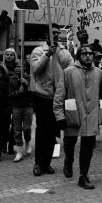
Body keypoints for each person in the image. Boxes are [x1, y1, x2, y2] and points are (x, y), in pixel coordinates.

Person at [54, 45, 102, 189]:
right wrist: (59, 116)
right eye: (84, 54)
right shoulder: (68, 72)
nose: (88, 56)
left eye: (90, 54)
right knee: (70, 143)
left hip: (92, 115)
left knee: (88, 147)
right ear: (78, 56)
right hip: (73, 114)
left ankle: (83, 175)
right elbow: (59, 96)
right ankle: (68, 161)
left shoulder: (99, 73)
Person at [30, 25, 73, 176]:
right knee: (42, 130)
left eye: (57, 33)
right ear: (46, 34)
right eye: (52, 33)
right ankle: (38, 162)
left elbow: (71, 70)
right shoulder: (38, 51)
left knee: (52, 132)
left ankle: (47, 162)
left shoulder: (64, 52)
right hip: (42, 96)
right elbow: (36, 69)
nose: (55, 36)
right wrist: (48, 54)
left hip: (57, 97)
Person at [9, 60, 33, 162]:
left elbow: (33, 91)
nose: (18, 68)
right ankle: (19, 151)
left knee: (26, 129)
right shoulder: (12, 79)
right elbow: (10, 94)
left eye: (20, 66)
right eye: (16, 66)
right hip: (17, 107)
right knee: (17, 130)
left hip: (27, 107)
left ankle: (27, 142)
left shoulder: (29, 78)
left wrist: (26, 85)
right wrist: (19, 91)